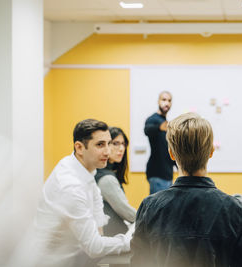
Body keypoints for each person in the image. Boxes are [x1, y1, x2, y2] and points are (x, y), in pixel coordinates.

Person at [131, 113, 242, 267]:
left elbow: (138, 262)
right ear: (211, 151)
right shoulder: (235, 210)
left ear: (171, 153)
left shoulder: (149, 207)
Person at [34, 119, 130, 267]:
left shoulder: (84, 169)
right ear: (79, 148)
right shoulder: (71, 186)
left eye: (108, 143)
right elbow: (94, 247)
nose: (107, 151)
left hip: (79, 256)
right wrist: (130, 240)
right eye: (100, 145)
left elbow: (98, 222)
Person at [95, 127, 136, 236]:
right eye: (116, 143)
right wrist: (150, 220)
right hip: (112, 238)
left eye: (123, 144)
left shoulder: (104, 172)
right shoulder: (107, 179)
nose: (121, 148)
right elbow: (128, 213)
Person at [144, 91, 175, 194]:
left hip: (167, 173)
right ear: (158, 101)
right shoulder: (153, 119)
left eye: (169, 100)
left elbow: (168, 148)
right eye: (164, 100)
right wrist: (159, 127)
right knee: (158, 209)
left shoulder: (165, 122)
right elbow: (147, 130)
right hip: (157, 173)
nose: (166, 103)